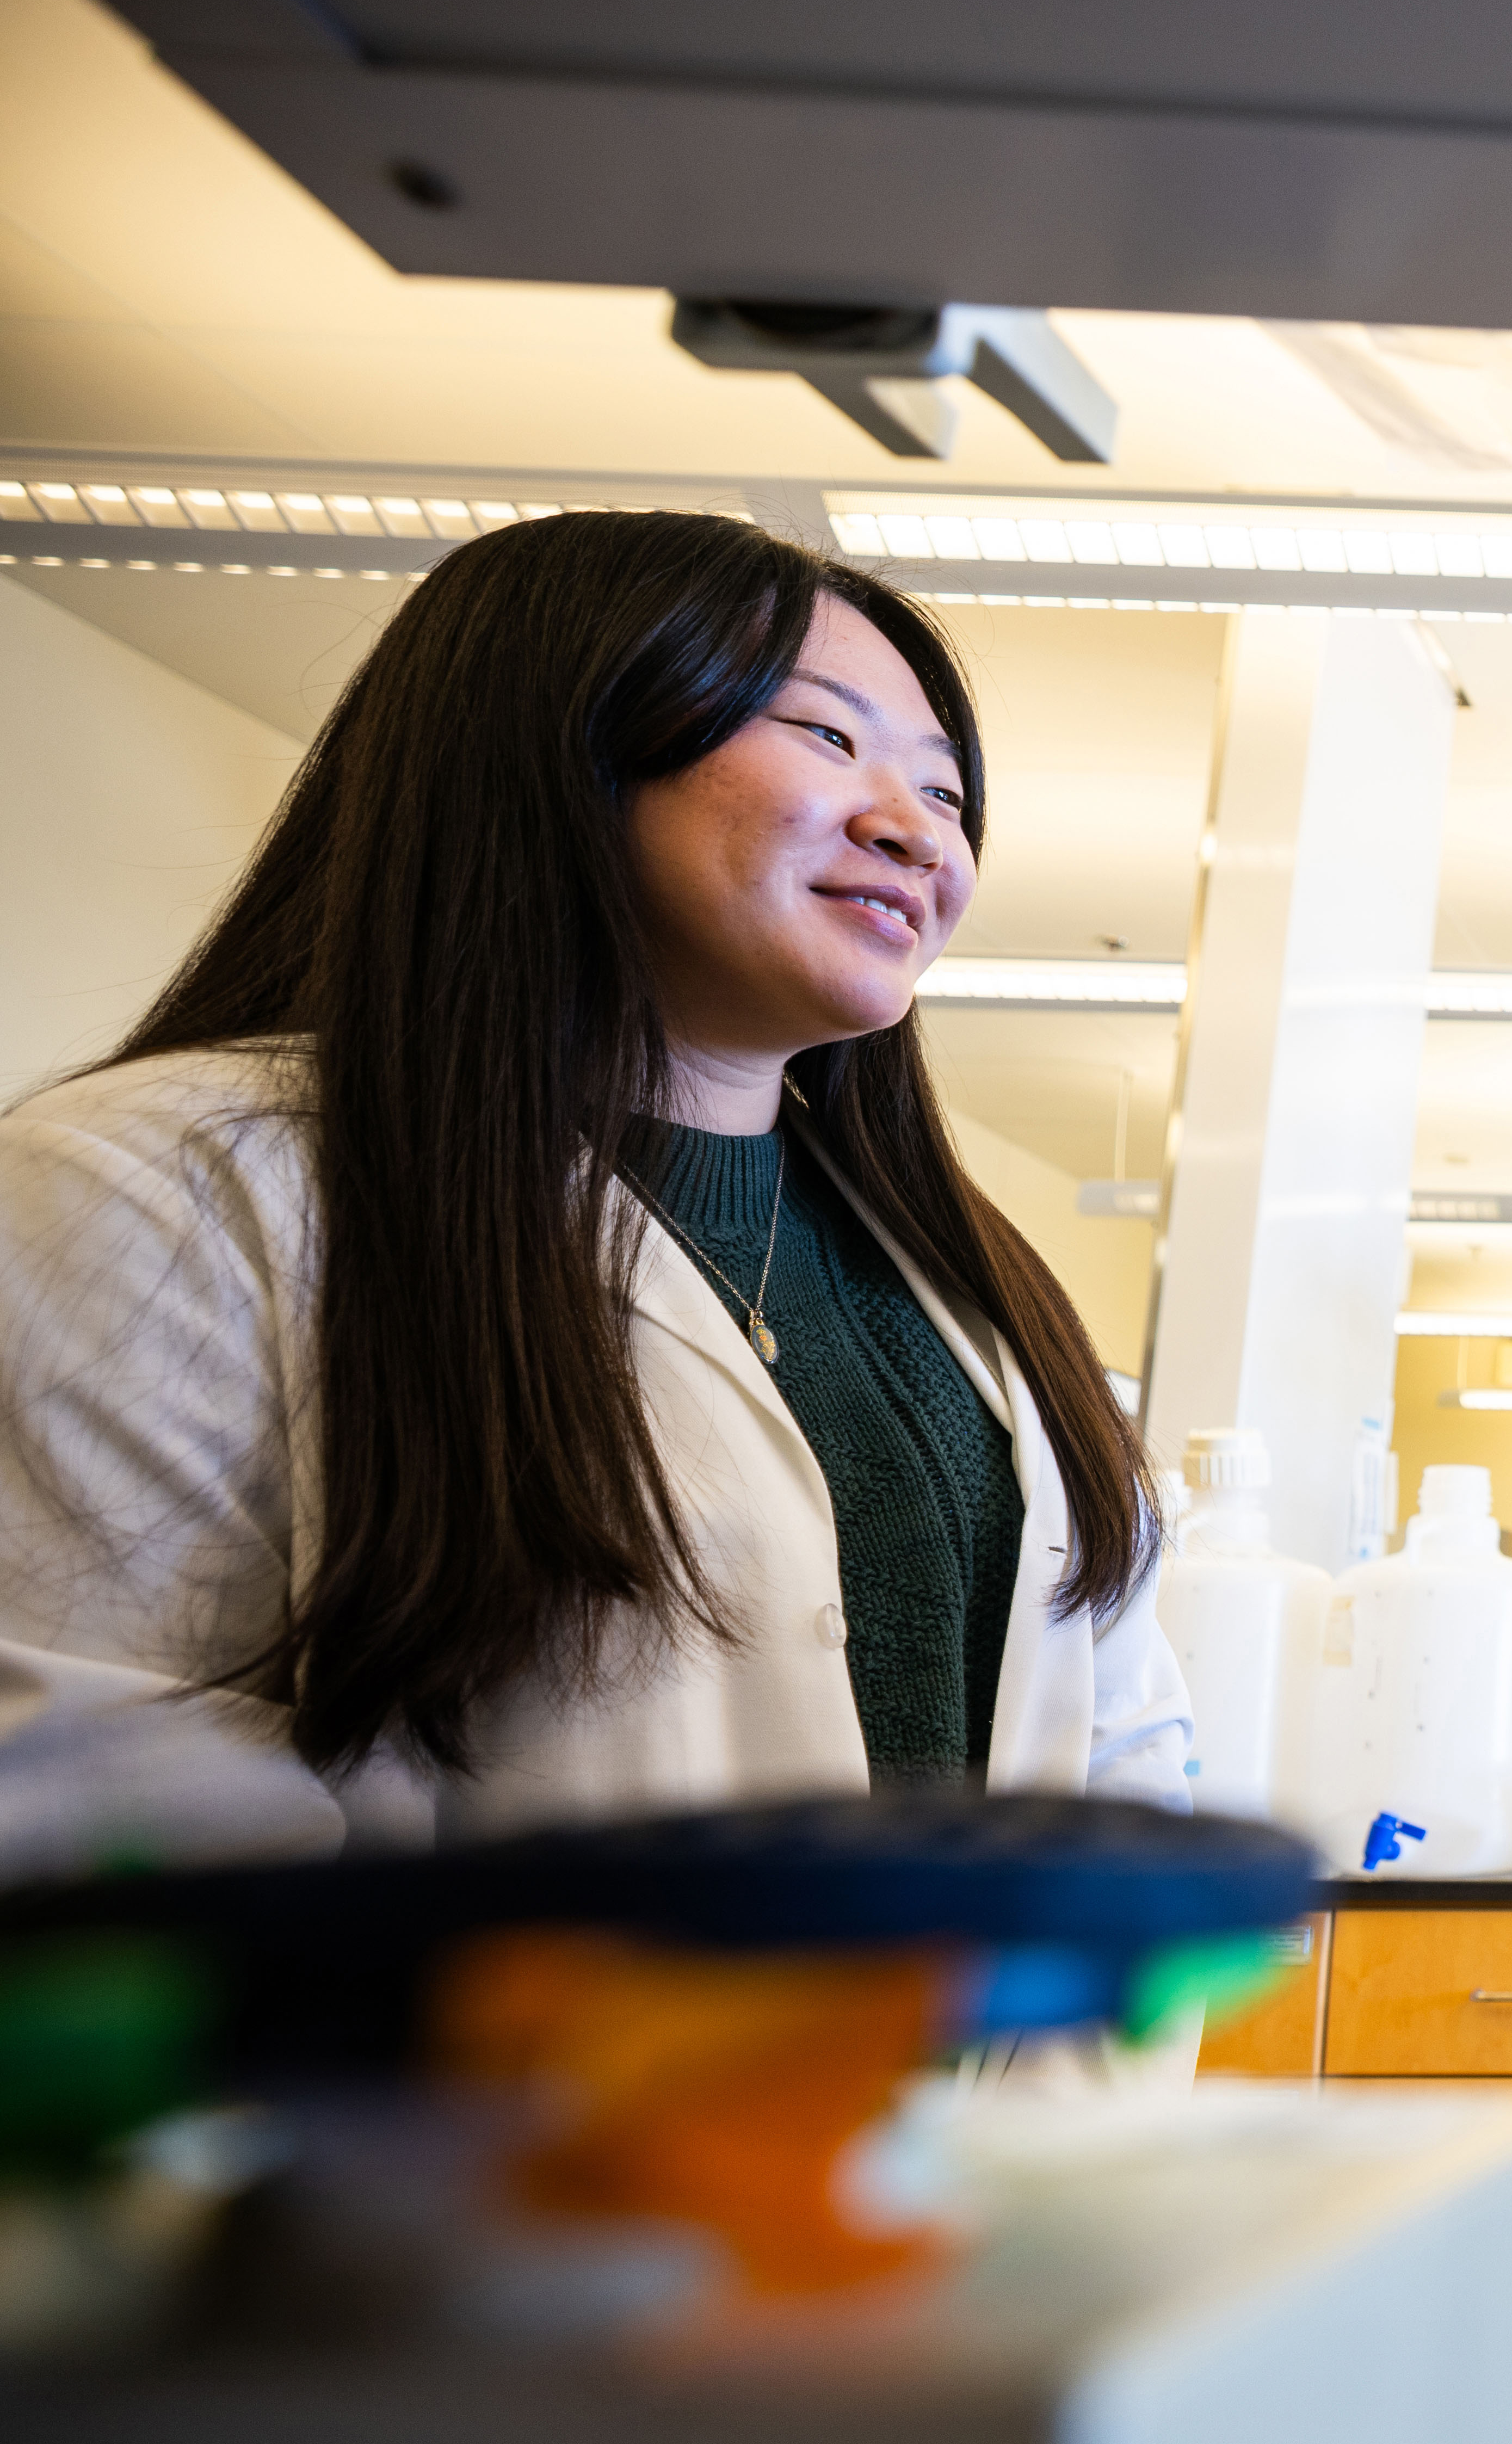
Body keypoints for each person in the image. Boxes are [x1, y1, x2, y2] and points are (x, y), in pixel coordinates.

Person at [0, 509, 1186, 1847]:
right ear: (563, 750)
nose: (917, 831)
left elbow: (1125, 1744)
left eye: (949, 793)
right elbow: (111, 1809)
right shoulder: (167, 1185)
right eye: (830, 737)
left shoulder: (971, 1284)